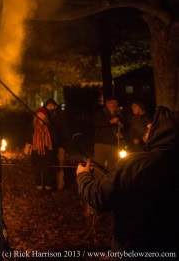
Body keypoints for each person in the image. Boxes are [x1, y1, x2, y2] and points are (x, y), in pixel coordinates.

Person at [77, 106, 179, 252]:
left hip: (134, 247)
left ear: (164, 131)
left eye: (153, 125)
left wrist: (83, 176)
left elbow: (99, 196)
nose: (148, 127)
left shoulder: (136, 163)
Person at [93, 97, 122, 170]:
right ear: (107, 104)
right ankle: (98, 181)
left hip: (113, 144)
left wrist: (120, 131)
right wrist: (110, 122)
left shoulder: (118, 114)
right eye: (112, 103)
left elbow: (122, 126)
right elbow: (96, 123)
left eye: (116, 104)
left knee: (113, 167)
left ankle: (111, 181)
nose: (114, 105)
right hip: (101, 143)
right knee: (99, 166)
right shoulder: (100, 113)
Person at [31, 106, 56, 190]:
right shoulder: (34, 126)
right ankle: (38, 186)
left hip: (47, 150)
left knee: (47, 169)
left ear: (45, 116)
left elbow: (53, 137)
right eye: (39, 114)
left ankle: (48, 186)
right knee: (37, 169)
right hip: (36, 150)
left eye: (42, 114)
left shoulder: (49, 126)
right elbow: (29, 137)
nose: (40, 116)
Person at [44, 98, 67, 190]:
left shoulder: (60, 116)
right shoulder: (45, 116)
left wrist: (64, 145)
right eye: (48, 106)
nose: (50, 107)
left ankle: (60, 185)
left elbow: (64, 130)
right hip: (50, 146)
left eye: (51, 105)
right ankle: (52, 185)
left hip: (60, 144)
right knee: (51, 165)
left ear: (55, 106)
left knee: (60, 166)